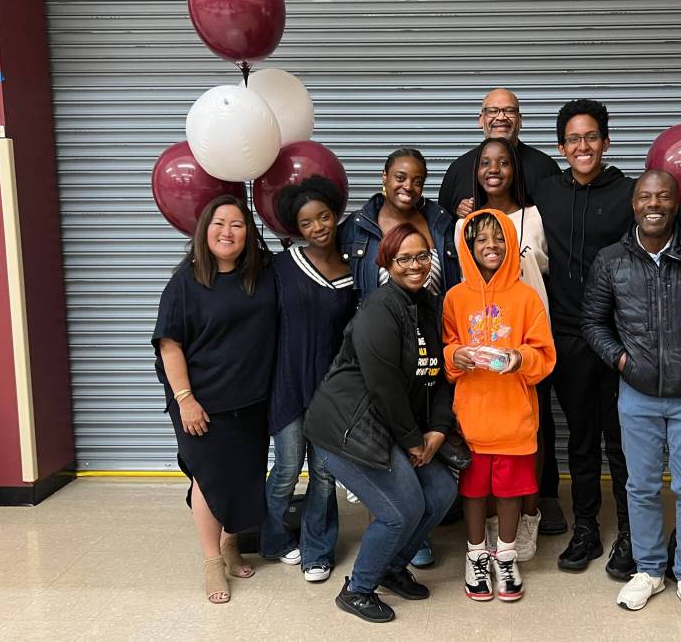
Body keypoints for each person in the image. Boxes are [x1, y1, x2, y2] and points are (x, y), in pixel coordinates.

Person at [531, 99, 681, 578]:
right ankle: (587, 528)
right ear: (561, 147)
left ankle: (633, 536)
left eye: (591, 137)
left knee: (621, 440)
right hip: (571, 335)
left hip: (625, 341)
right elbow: (498, 205)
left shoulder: (632, 191)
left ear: (606, 142)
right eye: (573, 139)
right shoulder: (547, 192)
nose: (583, 146)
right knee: (581, 439)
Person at [582, 170, 681, 624]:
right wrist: (622, 362)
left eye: (663, 196)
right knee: (640, 485)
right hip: (635, 393)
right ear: (633, 204)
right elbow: (593, 323)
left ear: (676, 205)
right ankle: (651, 569)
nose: (653, 204)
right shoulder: (612, 260)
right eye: (645, 196)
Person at [305, 223, 459, 623]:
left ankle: (391, 567)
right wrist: (412, 441)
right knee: (400, 509)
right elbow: (383, 385)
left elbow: (439, 375)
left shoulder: (429, 304)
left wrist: (438, 430)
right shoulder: (380, 309)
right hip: (348, 430)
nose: (415, 265)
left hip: (393, 427)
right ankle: (358, 589)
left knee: (441, 491)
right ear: (387, 264)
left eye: (422, 256)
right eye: (403, 258)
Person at [151, 195, 276, 604]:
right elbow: (170, 345)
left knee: (243, 477)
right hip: (201, 402)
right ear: (204, 230)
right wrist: (185, 398)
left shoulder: (262, 273)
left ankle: (230, 543)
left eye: (237, 224)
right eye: (219, 223)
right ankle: (211, 562)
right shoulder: (185, 283)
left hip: (251, 400)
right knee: (210, 479)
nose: (227, 231)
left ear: (249, 233)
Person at [338, 146, 458, 567]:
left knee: (419, 434)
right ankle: (392, 536)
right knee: (383, 441)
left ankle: (412, 529)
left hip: (431, 341)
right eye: (401, 177)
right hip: (380, 349)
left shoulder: (441, 222)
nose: (410, 187)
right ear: (385, 177)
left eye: (419, 180)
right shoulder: (356, 228)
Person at [443, 209, 557, 602]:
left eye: (498, 238)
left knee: (509, 491)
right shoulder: (455, 297)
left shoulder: (525, 297)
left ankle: (505, 556)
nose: (490, 246)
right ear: (468, 248)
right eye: (480, 240)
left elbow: (545, 355)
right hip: (471, 417)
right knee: (474, 491)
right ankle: (476, 555)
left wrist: (518, 359)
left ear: (512, 244)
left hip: (514, 418)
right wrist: (454, 356)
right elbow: (446, 346)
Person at [455, 136, 558, 554]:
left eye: (503, 162)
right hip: (481, 351)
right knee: (483, 442)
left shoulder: (536, 215)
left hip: (529, 336)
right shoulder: (466, 222)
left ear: (516, 169)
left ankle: (527, 515)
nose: (494, 169)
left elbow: (554, 267)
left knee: (531, 431)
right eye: (485, 162)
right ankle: (489, 531)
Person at [260, 176, 357, 583]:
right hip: (286, 384)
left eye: (323, 217)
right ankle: (275, 537)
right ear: (296, 229)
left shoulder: (354, 270)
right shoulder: (283, 266)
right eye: (307, 223)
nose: (318, 227)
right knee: (285, 469)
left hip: (330, 392)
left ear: (335, 215)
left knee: (323, 474)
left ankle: (317, 550)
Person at [438, 87, 560, 220]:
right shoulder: (458, 169)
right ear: (481, 119)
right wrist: (457, 213)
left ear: (520, 120)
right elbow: (442, 227)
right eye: (492, 111)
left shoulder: (545, 168)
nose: (501, 117)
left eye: (510, 111)